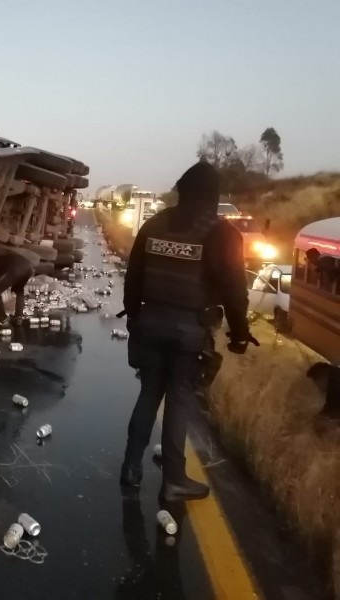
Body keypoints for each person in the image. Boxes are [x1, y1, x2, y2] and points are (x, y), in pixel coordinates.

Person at [119, 161, 258, 502]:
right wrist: (239, 334)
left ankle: (131, 468)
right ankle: (174, 481)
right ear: (212, 195)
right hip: (189, 330)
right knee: (179, 400)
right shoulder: (222, 233)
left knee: (149, 393)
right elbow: (234, 291)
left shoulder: (153, 225)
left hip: (150, 323)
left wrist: (135, 321)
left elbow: (133, 277)